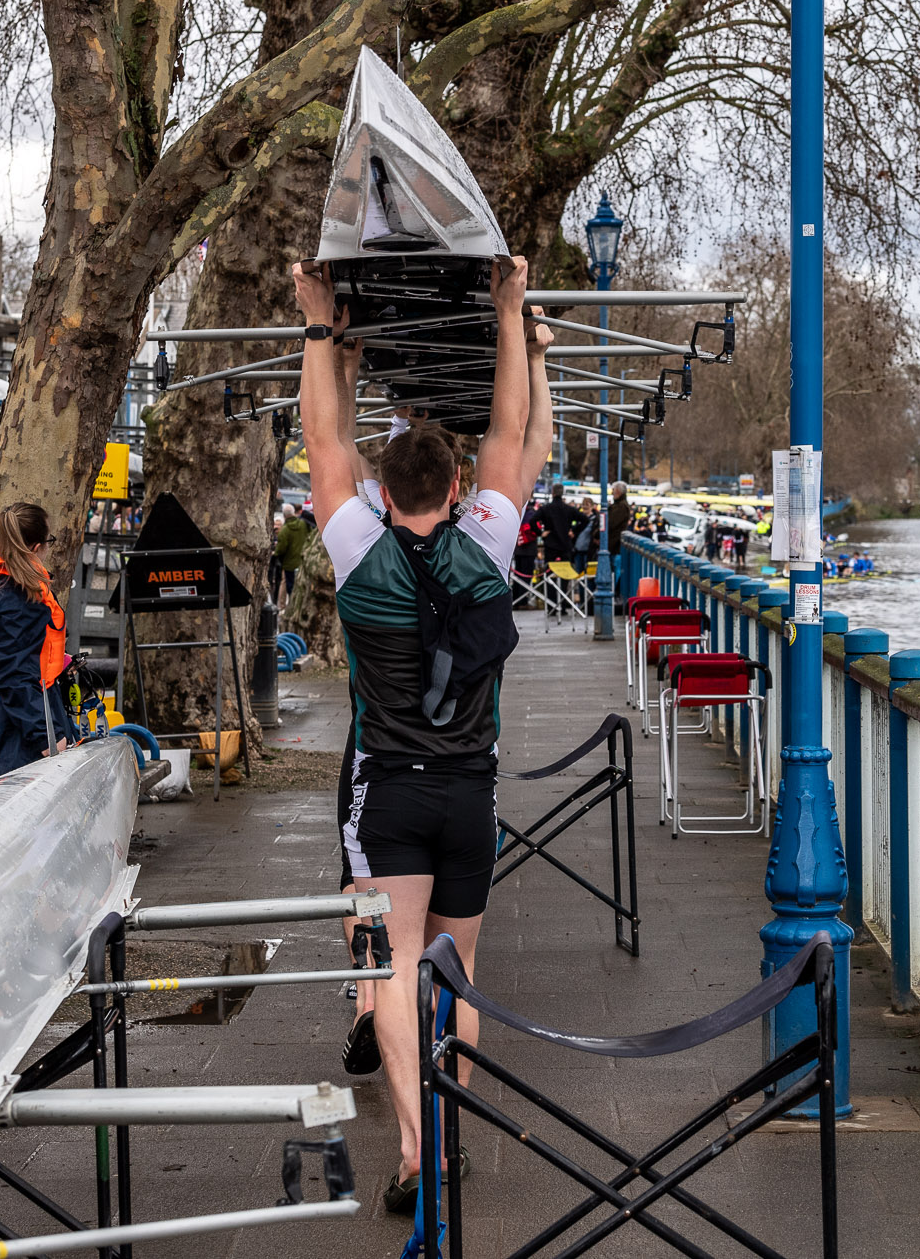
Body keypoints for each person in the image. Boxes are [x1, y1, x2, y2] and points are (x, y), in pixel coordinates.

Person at [295, 254, 551, 1213]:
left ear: (380, 489)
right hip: (470, 789)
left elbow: (324, 439)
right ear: (453, 486)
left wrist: (322, 325)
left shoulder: (356, 544)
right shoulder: (488, 536)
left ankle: (414, 1148)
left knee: (389, 964)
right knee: (457, 968)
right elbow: (513, 429)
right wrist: (510, 313)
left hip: (387, 790)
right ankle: (446, 1135)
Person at [0, 502, 78, 790]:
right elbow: (14, 676)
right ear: (35, 547)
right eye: (48, 542)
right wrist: (49, 737)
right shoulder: (19, 595)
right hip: (9, 727)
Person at [274, 503, 312, 602]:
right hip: (303, 562)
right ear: (294, 513)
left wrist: (276, 554)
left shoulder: (284, 530)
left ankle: (292, 606)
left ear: (284, 515)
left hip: (289, 564)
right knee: (302, 587)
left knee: (291, 588)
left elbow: (281, 549)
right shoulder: (304, 524)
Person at [538, 487, 585, 564]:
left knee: (549, 570)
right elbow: (585, 520)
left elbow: (533, 521)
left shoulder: (546, 508)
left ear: (553, 493)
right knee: (565, 571)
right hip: (565, 543)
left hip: (550, 543)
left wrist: (540, 533)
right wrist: (574, 531)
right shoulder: (569, 509)